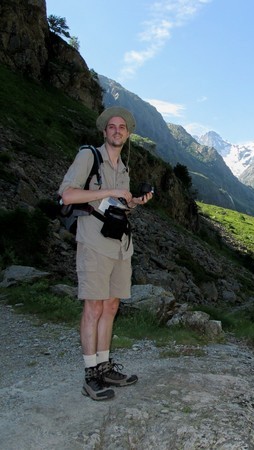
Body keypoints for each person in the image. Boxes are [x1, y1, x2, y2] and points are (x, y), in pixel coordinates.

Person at [58, 106, 153, 401]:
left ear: (127, 134)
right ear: (104, 131)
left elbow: (117, 205)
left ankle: (104, 366)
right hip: (94, 243)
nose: (117, 131)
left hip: (119, 245)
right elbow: (67, 194)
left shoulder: (123, 167)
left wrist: (135, 201)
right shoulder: (90, 156)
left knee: (111, 306)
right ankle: (90, 375)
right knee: (94, 308)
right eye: (112, 126)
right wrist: (105, 192)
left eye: (122, 127)